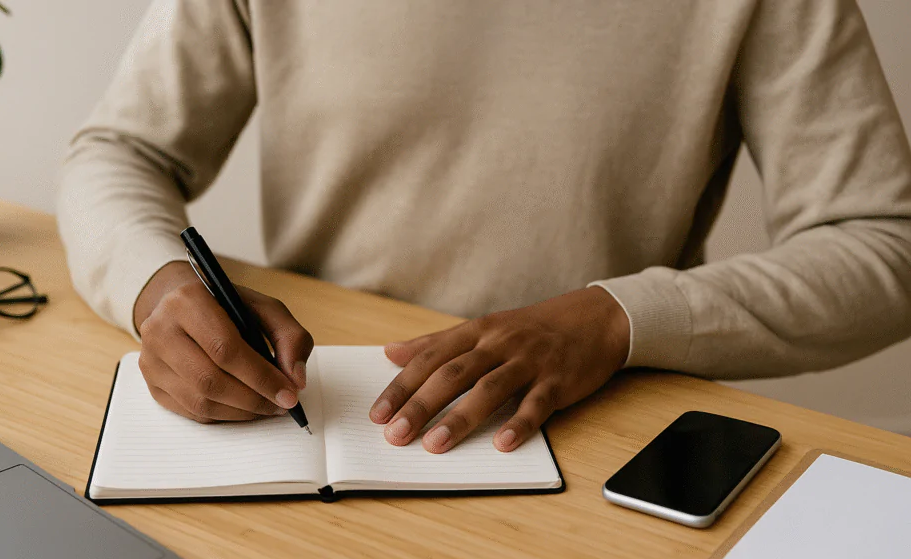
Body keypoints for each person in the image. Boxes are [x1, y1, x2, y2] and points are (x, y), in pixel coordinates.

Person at [58, 0, 911, 455]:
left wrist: (617, 318)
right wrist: (158, 285)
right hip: (317, 417)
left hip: (594, 435)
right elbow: (119, 151)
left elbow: (884, 241)